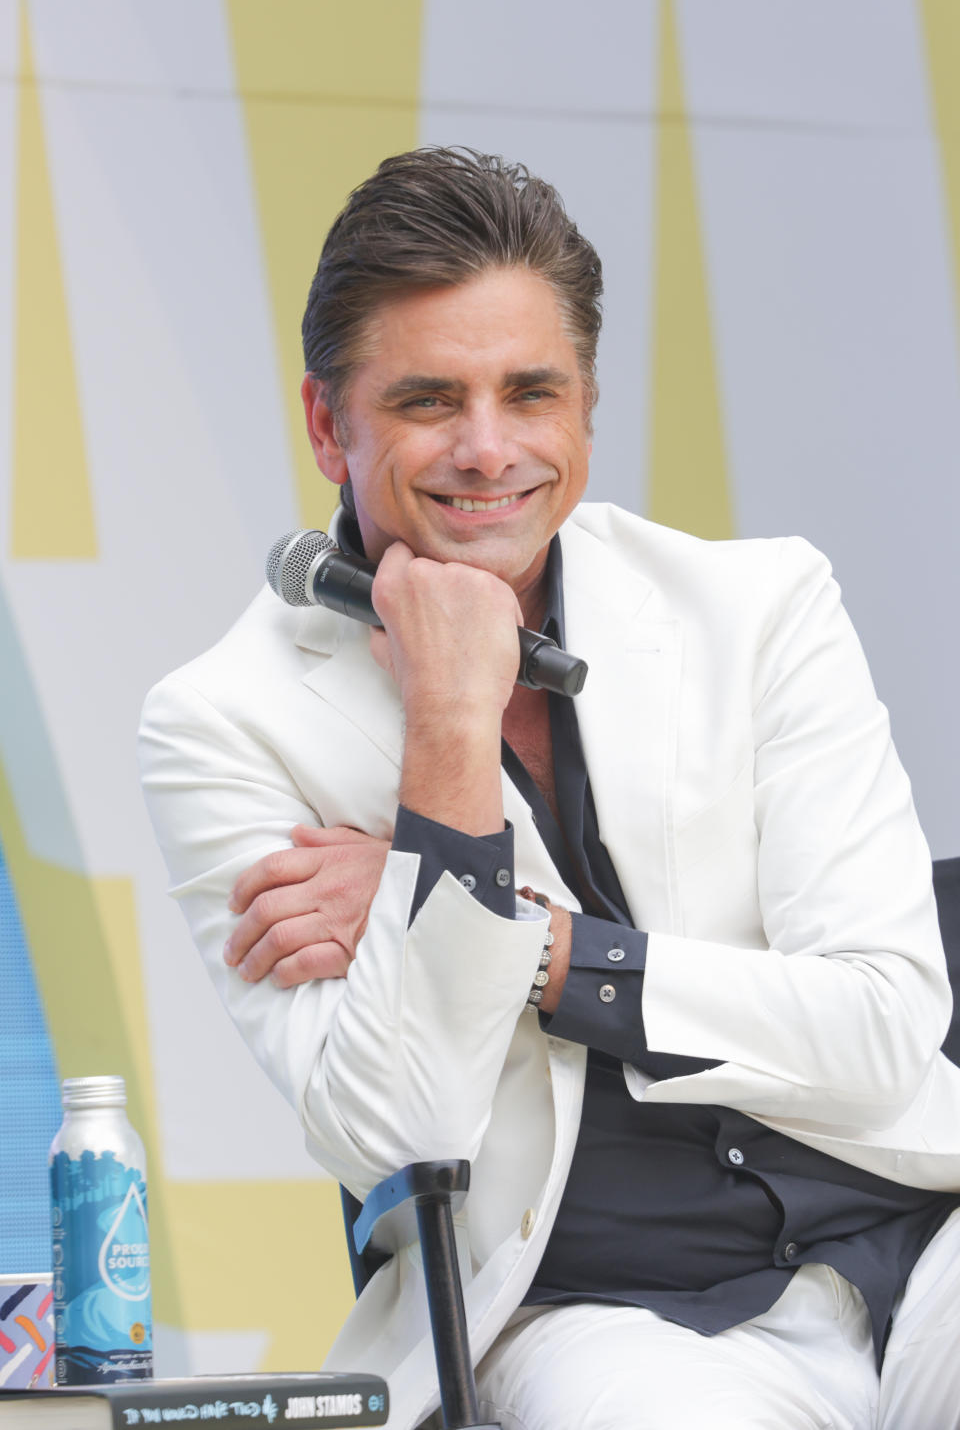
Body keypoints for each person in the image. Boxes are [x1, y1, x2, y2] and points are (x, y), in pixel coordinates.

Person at [139, 148, 960, 1430]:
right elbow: (396, 1129)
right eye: (427, 398)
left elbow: (882, 1026)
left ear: (585, 407)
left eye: (532, 392)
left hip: (924, 1237)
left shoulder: (760, 607)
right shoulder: (224, 721)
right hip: (596, 1317)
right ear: (325, 423)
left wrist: (517, 942)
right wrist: (450, 733)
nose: (488, 447)